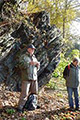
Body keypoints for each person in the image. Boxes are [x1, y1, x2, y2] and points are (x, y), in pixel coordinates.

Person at [18, 44, 40, 112]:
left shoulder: (34, 57)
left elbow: (37, 69)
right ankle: (20, 107)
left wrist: (37, 65)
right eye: (31, 49)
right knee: (24, 94)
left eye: (33, 49)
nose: (33, 50)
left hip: (34, 78)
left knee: (34, 92)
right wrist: (29, 63)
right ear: (28, 49)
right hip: (26, 78)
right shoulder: (23, 57)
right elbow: (20, 66)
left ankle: (33, 104)